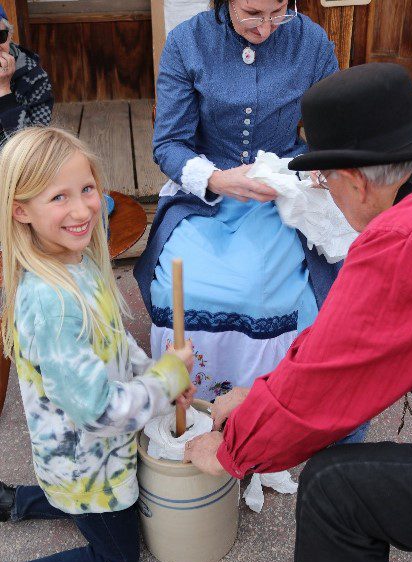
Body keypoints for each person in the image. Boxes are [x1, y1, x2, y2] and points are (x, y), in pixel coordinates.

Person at [184, 63, 412, 562]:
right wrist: (260, 394)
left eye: (325, 181)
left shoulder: (399, 239)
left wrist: (230, 449)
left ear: (357, 180)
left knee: (334, 487)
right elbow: (335, 345)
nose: (327, 194)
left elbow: (324, 385)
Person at [134, 1, 362, 416]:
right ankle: (191, 404)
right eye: (252, 13)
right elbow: (168, 144)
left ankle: (263, 412)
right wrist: (216, 179)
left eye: (279, 12)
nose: (266, 28)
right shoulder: (188, 41)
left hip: (278, 193)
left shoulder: (310, 41)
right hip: (204, 194)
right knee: (180, 288)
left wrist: (318, 166)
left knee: (261, 292)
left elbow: (335, 126)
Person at [0, 127, 195, 562]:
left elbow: (116, 340)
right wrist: (165, 381)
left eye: (87, 189)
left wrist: (156, 370)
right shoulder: (51, 303)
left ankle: (14, 501)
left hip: (88, 456)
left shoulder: (76, 260)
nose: (83, 209)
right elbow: (99, 413)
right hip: (88, 465)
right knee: (118, 556)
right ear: (20, 211)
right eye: (59, 197)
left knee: (87, 508)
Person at [0, 4, 53, 146]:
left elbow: (31, 145)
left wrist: (4, 91)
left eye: (0, 36)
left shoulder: (36, 78)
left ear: (10, 36)